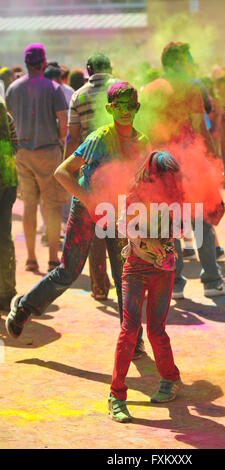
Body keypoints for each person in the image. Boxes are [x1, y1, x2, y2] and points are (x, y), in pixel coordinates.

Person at [6, 81, 148, 360]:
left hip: (117, 214)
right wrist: (89, 199)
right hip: (86, 208)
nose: (124, 112)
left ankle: (132, 339)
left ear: (137, 108)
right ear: (109, 109)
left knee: (125, 276)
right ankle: (24, 307)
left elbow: (141, 180)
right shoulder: (99, 138)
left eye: (129, 106)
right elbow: (62, 172)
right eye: (118, 107)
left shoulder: (142, 142)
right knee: (69, 271)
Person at [141, 42, 225, 299]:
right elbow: (200, 128)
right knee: (202, 220)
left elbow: (145, 129)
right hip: (187, 162)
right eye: (187, 59)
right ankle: (211, 281)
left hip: (159, 163)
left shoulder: (149, 90)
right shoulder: (191, 88)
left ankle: (174, 285)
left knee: (169, 225)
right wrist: (213, 157)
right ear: (178, 62)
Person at [109, 151, 182, 423]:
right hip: (136, 269)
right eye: (162, 177)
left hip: (164, 272)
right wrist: (145, 240)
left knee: (156, 330)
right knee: (129, 330)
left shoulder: (175, 197)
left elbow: (182, 230)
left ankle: (171, 379)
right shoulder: (133, 196)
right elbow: (120, 224)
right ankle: (116, 396)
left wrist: (166, 238)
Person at [6, 43, 69, 272]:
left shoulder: (12, 89)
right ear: (43, 62)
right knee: (51, 206)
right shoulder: (53, 89)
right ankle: (53, 258)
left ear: (26, 63)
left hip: (22, 153)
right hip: (48, 152)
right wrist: (60, 140)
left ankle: (31, 258)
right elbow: (63, 123)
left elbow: (10, 122)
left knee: (29, 206)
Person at [66, 52, 118, 302]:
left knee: (97, 228)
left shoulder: (79, 95)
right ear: (110, 67)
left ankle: (99, 287)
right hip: (120, 167)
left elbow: (72, 136)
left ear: (88, 70)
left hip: (92, 169)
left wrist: (70, 170)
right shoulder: (120, 88)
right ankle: (127, 284)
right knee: (121, 226)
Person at [0, 96, 18, 312]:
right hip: (7, 181)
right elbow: (15, 146)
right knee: (5, 238)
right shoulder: (6, 117)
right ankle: (7, 292)